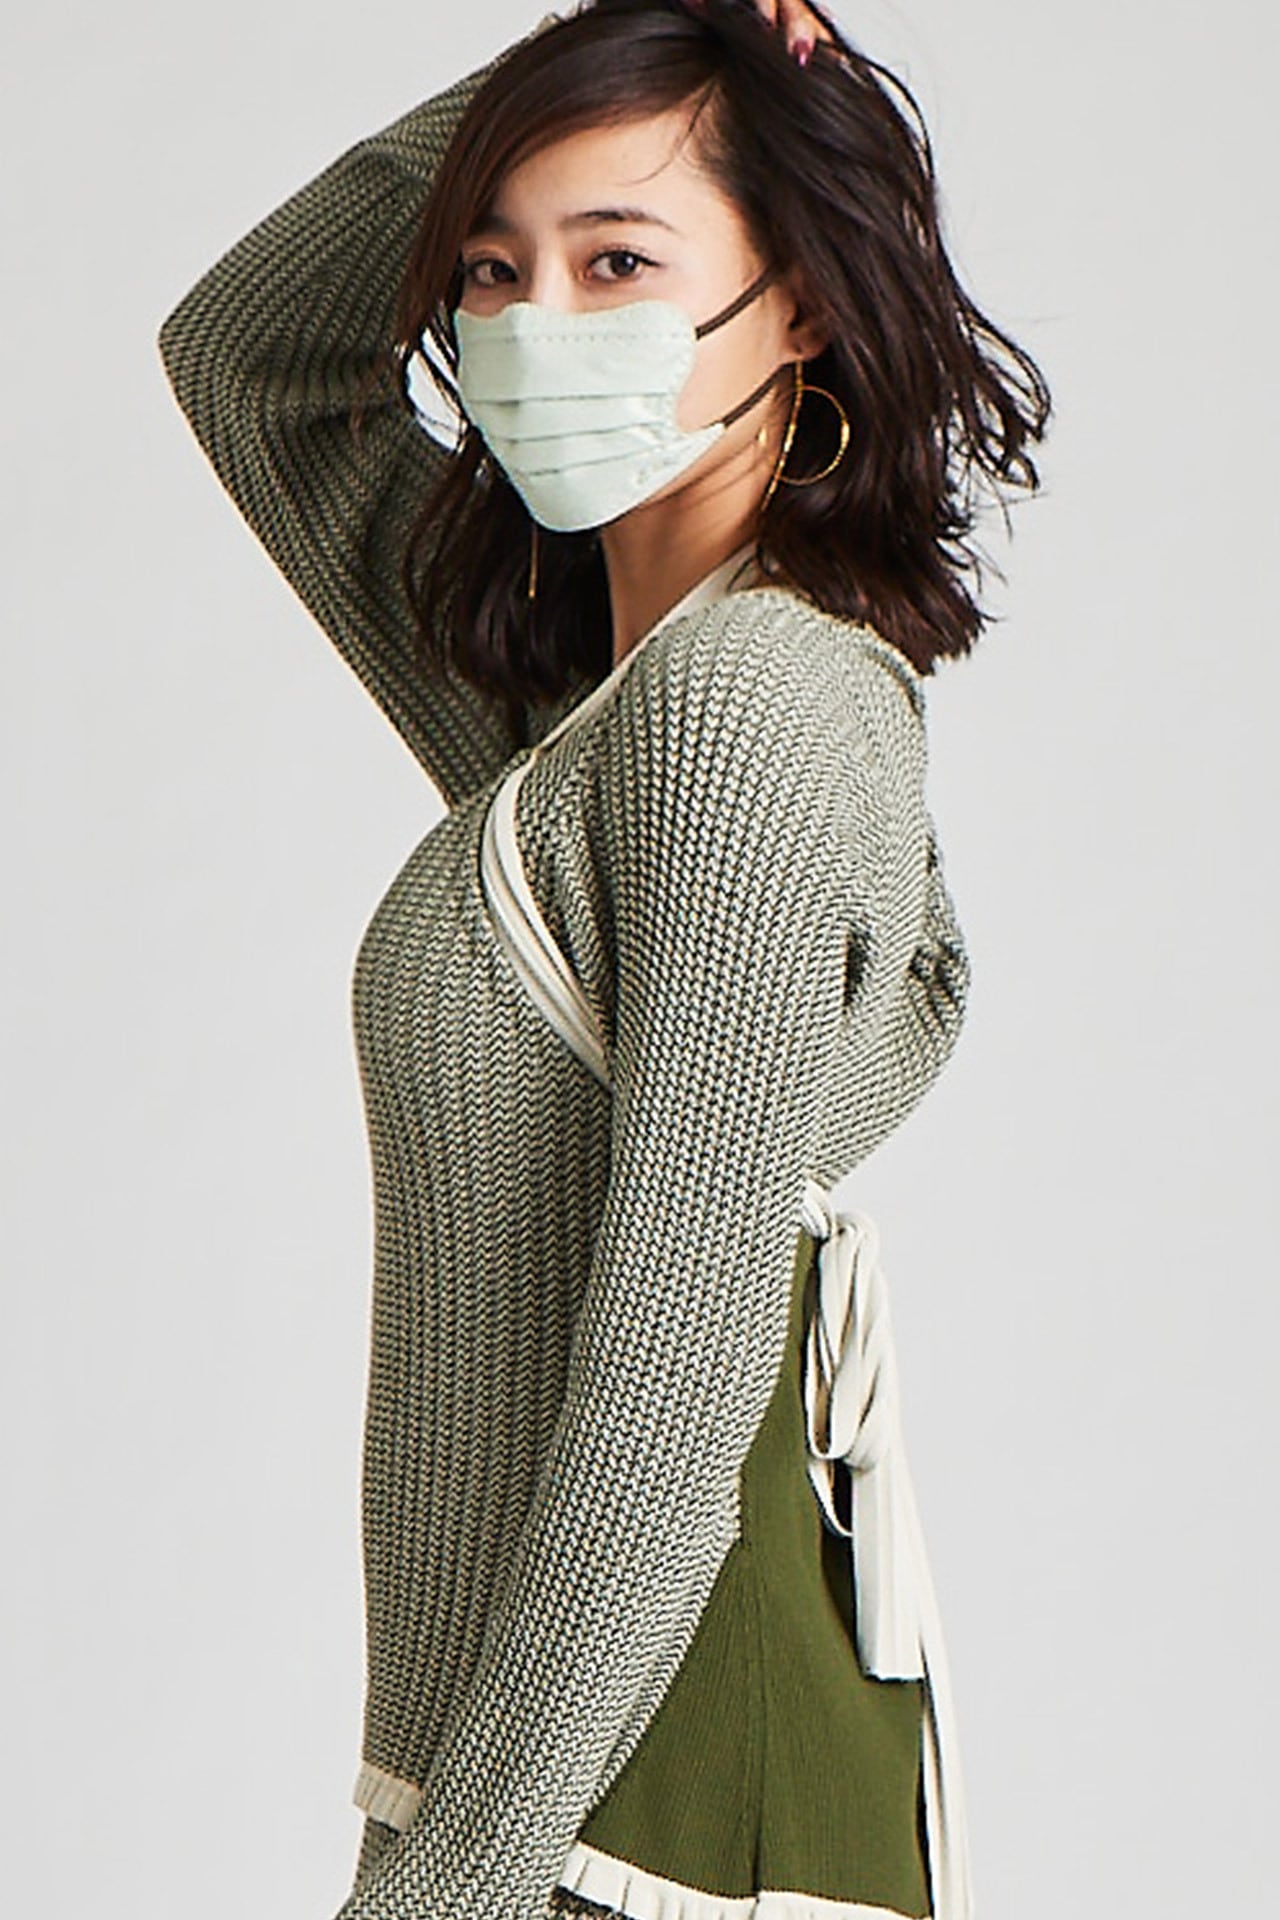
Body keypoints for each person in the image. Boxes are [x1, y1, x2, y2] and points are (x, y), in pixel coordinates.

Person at [155, 4, 1051, 1919]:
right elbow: (256, 359)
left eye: (619, 262)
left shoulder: (739, 708)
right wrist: (595, 51)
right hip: (550, 1802)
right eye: (493, 273)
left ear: (798, 302)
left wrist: (446, 1894)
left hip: (642, 1836)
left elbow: (672, 1384)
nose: (535, 324)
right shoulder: (594, 715)